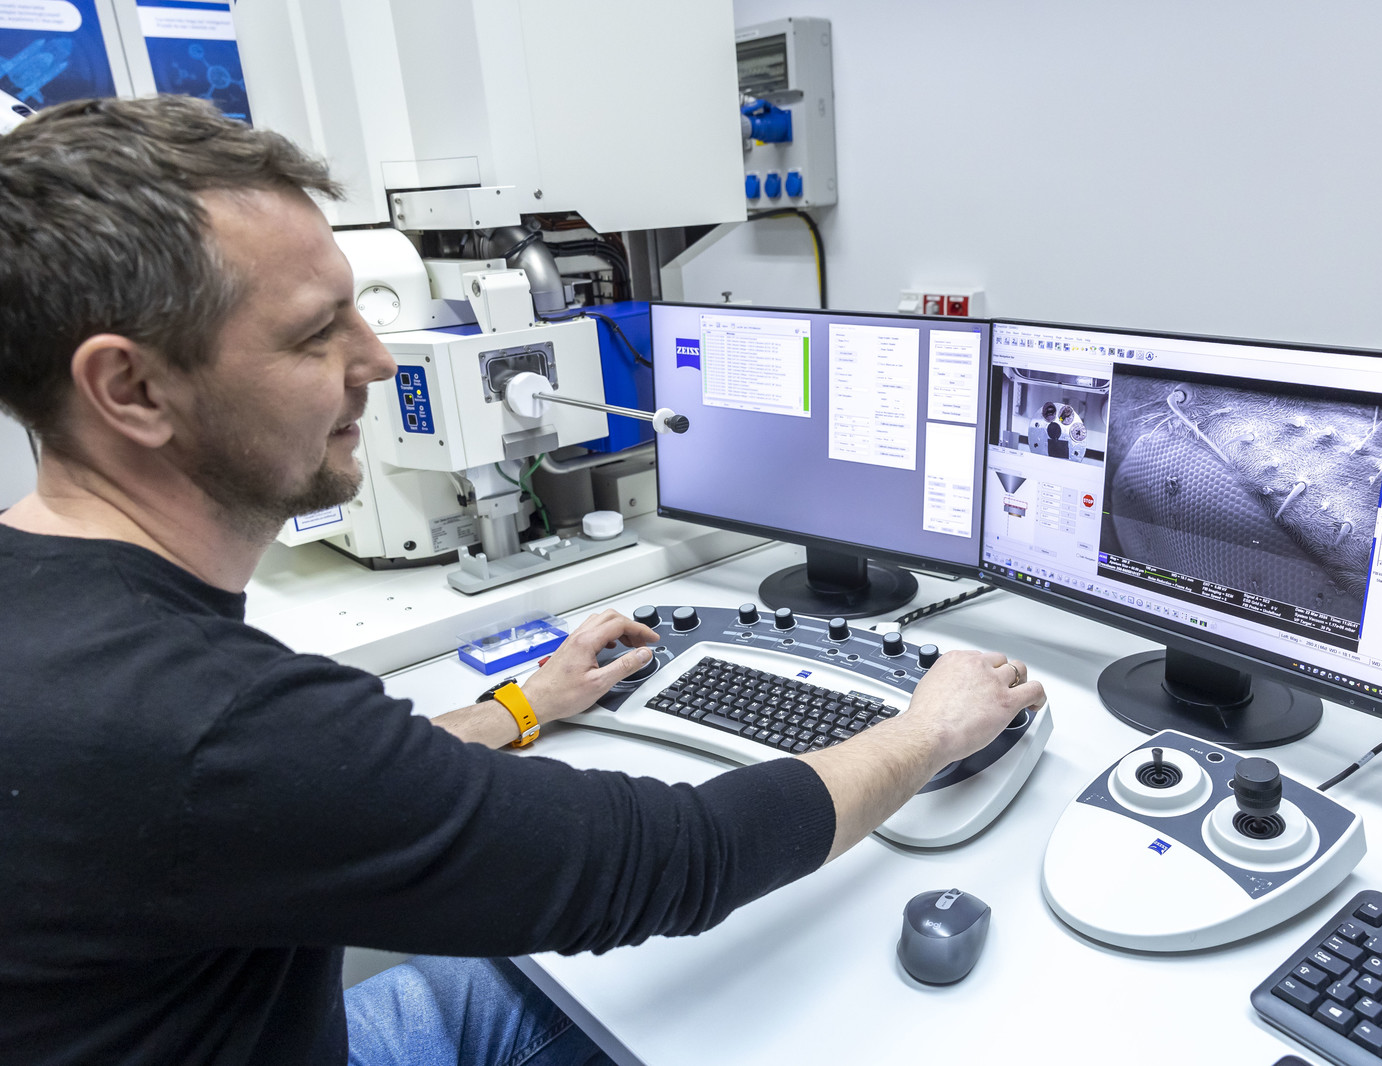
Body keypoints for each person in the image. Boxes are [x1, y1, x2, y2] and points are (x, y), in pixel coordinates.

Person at [0, 96, 1046, 1066]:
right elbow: (666, 862)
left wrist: (522, 704)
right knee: (702, 1001)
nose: (377, 359)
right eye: (317, 331)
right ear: (130, 387)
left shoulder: (65, 620)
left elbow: (321, 786)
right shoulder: (207, 721)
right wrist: (926, 732)